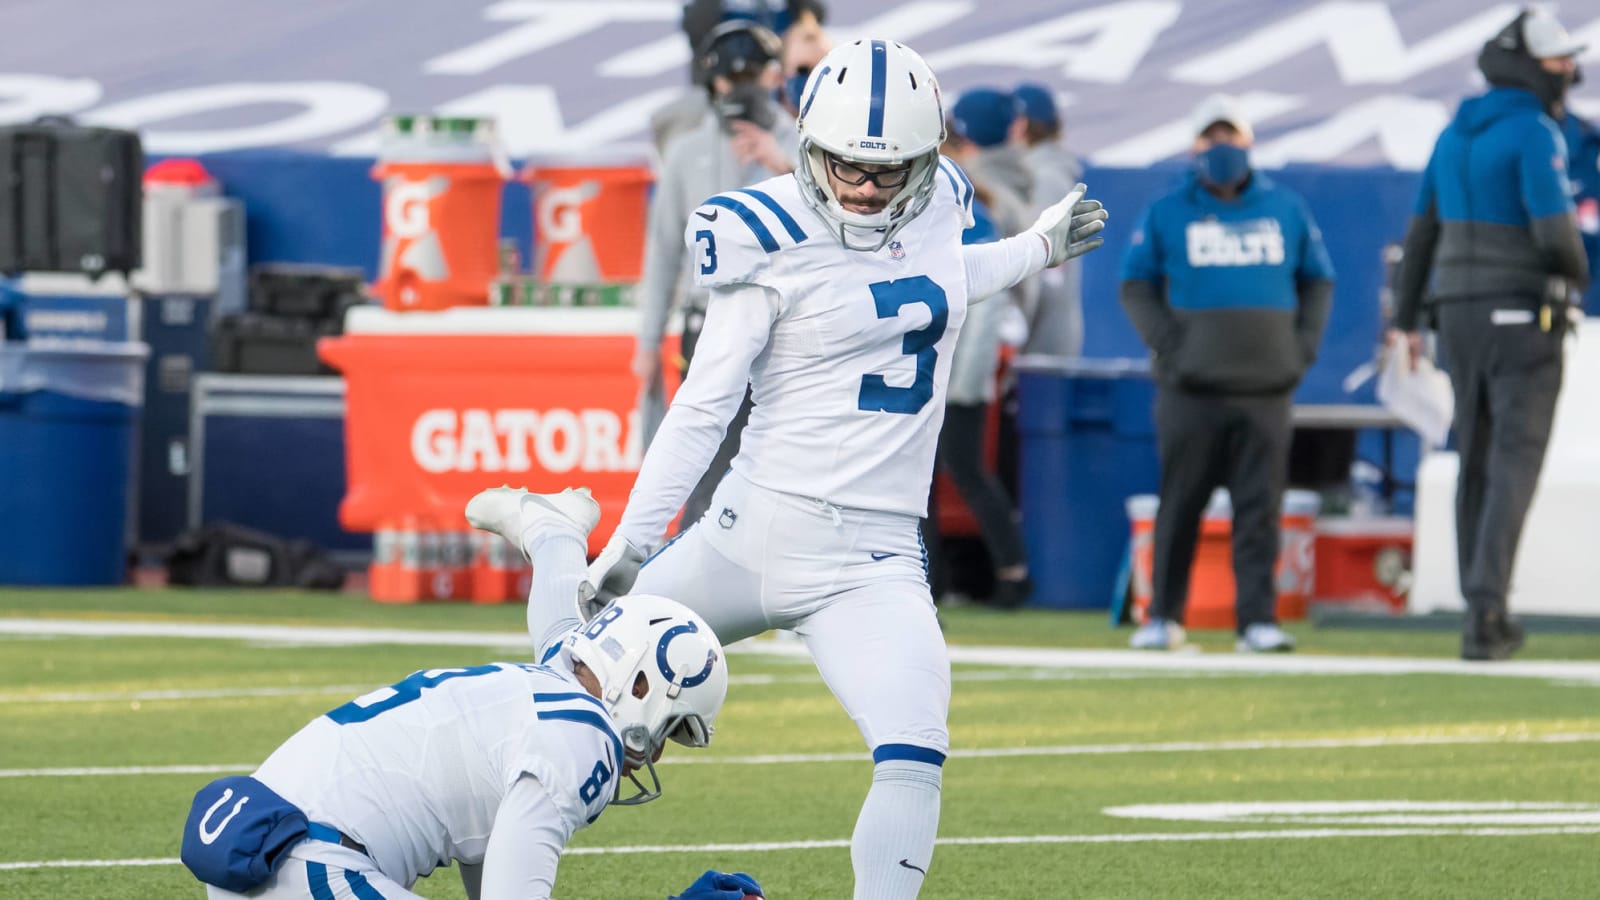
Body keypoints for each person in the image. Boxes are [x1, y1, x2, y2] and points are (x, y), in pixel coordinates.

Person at [582, 39, 1107, 898]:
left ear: (928, 159)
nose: (864, 188)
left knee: (914, 747)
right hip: (749, 531)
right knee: (566, 683)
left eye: (887, 171)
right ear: (808, 147)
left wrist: (1032, 251)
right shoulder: (761, 233)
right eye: (846, 167)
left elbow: (940, 277)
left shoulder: (942, 203)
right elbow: (705, 402)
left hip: (874, 558)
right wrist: (633, 538)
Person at [180, 487, 746, 900]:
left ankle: (552, 528)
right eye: (671, 727)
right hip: (307, 867)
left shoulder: (549, 682)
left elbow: (556, 627)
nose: (659, 753)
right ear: (642, 683)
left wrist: (555, 542)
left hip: (260, 848)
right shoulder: (581, 738)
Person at [1391, 8, 1589, 661]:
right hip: (1520, 314)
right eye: (1560, 62)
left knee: (1474, 458)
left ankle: (1480, 605)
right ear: (1534, 66)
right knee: (1514, 461)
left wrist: (1405, 321)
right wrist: (1576, 277)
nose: (1569, 72)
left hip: (1457, 316)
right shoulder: (1534, 132)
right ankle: (1487, 607)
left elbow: (1420, 236)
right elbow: (1557, 236)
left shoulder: (1453, 134)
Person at [1121, 93, 1335, 655]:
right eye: (1211, 140)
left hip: (1266, 386)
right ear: (1195, 147)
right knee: (1180, 504)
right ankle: (1163, 615)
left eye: (1231, 139)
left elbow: (1318, 280)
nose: (1221, 150)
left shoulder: (1285, 208)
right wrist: (1172, 347)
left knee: (1260, 508)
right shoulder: (1168, 211)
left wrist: (1300, 349)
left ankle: (1257, 621)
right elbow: (1135, 282)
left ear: (1249, 145)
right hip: (1190, 388)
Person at [635, 18, 798, 525]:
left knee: (783, 467)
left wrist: (786, 169)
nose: (742, 87)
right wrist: (645, 343)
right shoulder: (686, 153)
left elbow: (840, 230)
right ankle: (687, 591)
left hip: (789, 325)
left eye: (753, 74)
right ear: (713, 82)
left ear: (774, 77)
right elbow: (663, 252)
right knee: (703, 464)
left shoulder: (806, 146)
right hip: (708, 323)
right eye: (733, 77)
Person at [923, 110, 1034, 609]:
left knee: (957, 471)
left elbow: (987, 296)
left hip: (956, 364)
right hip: (938, 362)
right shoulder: (951, 201)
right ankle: (938, 579)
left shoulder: (965, 209)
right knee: (942, 473)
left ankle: (1006, 573)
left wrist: (965, 377)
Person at [1012, 82, 1086, 358]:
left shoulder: (1044, 180)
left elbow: (1044, 269)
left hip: (1039, 347)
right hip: (1042, 341)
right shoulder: (1043, 174)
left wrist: (1014, 336)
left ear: (1020, 125)